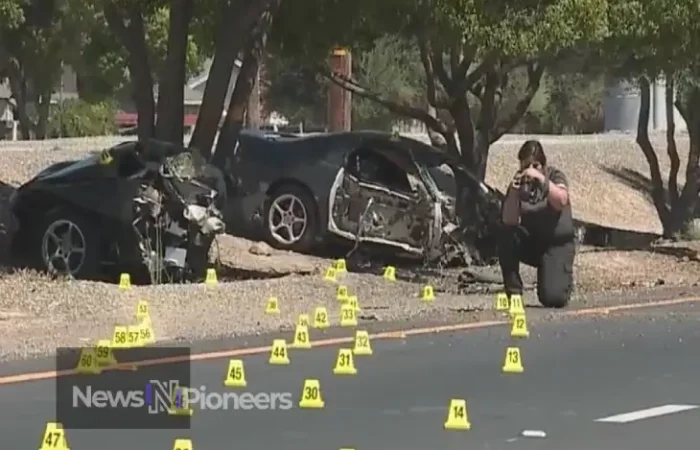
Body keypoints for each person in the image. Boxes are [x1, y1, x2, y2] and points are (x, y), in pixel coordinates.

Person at [499, 140, 575, 308]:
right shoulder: (520, 184)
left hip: (557, 245)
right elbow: (509, 221)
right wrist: (513, 193)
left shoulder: (554, 176)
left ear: (543, 164)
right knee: (505, 234)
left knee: (553, 299)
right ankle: (514, 294)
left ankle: (561, 277)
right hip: (533, 242)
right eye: (526, 166)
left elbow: (561, 200)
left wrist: (541, 179)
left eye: (536, 165)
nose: (530, 170)